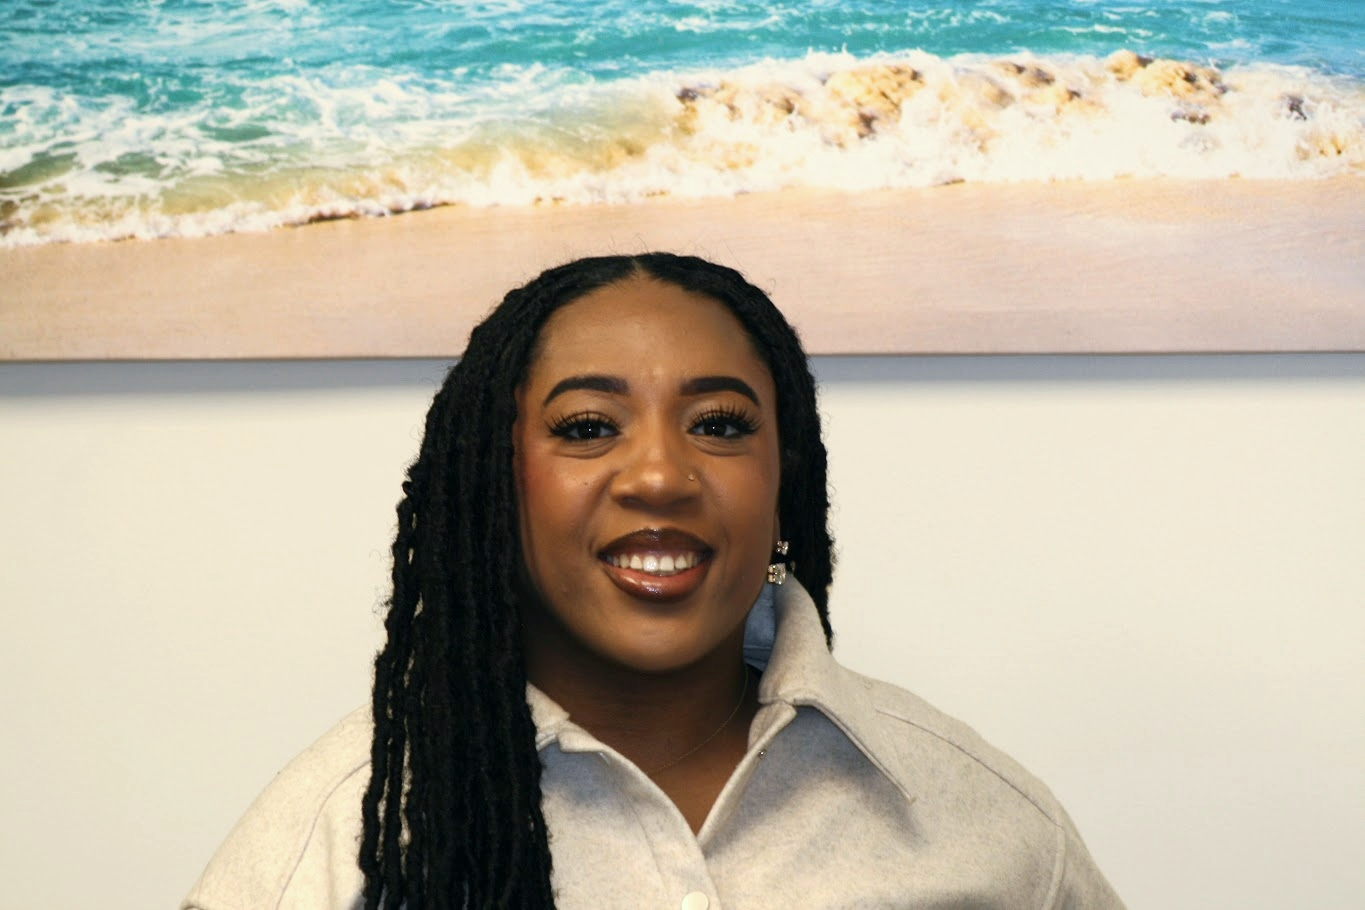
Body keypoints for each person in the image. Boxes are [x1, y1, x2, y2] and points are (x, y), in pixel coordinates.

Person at [182, 253, 1125, 910]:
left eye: (718, 424)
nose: (662, 476)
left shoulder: (979, 819)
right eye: (588, 426)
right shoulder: (336, 834)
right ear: (490, 482)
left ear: (783, 481)